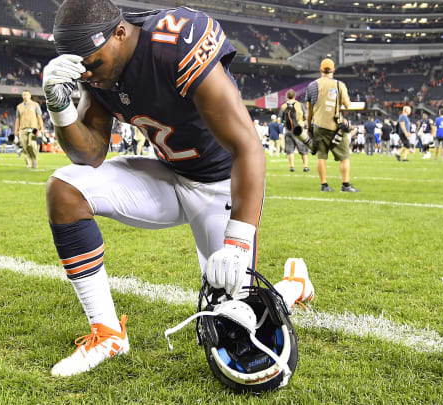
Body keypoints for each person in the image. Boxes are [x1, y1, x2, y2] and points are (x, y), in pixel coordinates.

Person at [43, 0, 314, 377]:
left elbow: (248, 146)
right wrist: (60, 107)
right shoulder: (99, 69)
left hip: (222, 187)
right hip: (169, 176)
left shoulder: (176, 41)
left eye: (92, 64)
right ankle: (107, 334)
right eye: (80, 69)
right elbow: (89, 154)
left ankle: (293, 285)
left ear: (120, 33)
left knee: (231, 317)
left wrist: (237, 242)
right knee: (64, 190)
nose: (88, 75)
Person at [305, 59, 358, 192]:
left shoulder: (312, 86)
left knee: (321, 156)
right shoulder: (339, 85)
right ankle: (345, 185)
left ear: (321, 70)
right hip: (335, 126)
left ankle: (324, 185)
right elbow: (347, 104)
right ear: (333, 70)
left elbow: (309, 110)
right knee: (344, 156)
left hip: (318, 125)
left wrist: (309, 127)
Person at [15, 90, 45, 169]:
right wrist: (16, 130)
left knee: (31, 145)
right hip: (22, 129)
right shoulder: (19, 106)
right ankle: (28, 163)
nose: (25, 96)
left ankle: (34, 160)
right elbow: (17, 119)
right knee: (25, 147)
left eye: (26, 95)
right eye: (24, 95)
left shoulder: (35, 105)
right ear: (22, 96)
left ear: (30, 96)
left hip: (33, 128)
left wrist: (42, 128)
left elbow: (39, 117)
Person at [280, 90, 309, 172]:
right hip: (299, 129)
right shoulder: (300, 105)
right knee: (303, 149)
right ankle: (305, 167)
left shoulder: (283, 106)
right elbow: (305, 116)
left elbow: (281, 119)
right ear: (294, 96)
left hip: (288, 130)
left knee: (290, 150)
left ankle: (292, 167)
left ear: (287, 97)